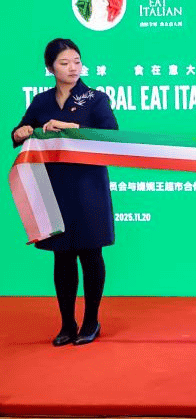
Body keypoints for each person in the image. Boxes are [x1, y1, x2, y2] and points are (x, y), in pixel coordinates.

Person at [11, 38, 118, 346]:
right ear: (50, 68)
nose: (73, 68)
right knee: (62, 255)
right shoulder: (41, 101)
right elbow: (21, 131)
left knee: (90, 252)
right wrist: (19, 132)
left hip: (88, 186)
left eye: (77, 61)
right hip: (53, 186)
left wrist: (73, 128)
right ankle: (67, 324)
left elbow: (111, 135)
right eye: (64, 63)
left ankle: (91, 321)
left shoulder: (95, 99)